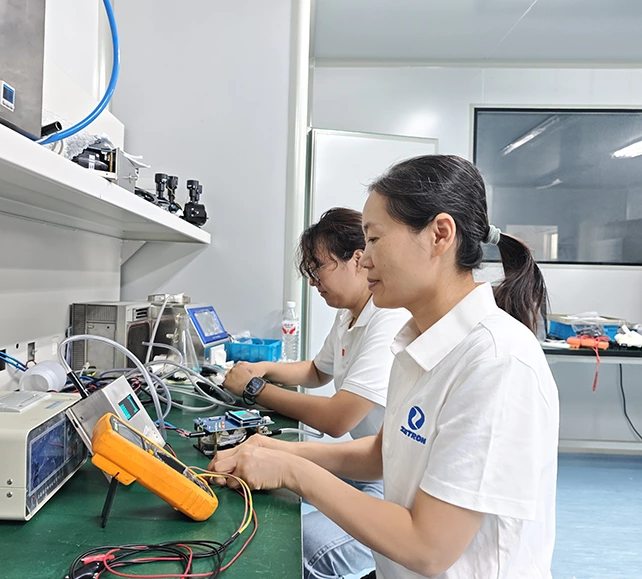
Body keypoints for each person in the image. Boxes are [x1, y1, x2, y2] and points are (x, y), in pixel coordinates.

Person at [210, 155, 560, 579]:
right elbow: (384, 452)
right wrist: (276, 450)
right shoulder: (417, 339)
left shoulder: (497, 362)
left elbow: (428, 548)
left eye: (374, 239)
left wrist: (292, 470)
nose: (364, 260)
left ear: (439, 235)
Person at [220, 207, 410, 579]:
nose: (313, 282)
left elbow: (338, 419)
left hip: (388, 484)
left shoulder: (388, 319)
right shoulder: (350, 313)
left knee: (296, 543)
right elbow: (318, 371)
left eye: (318, 267)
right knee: (259, 491)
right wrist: (263, 369)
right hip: (368, 465)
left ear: (357, 260)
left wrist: (255, 389)